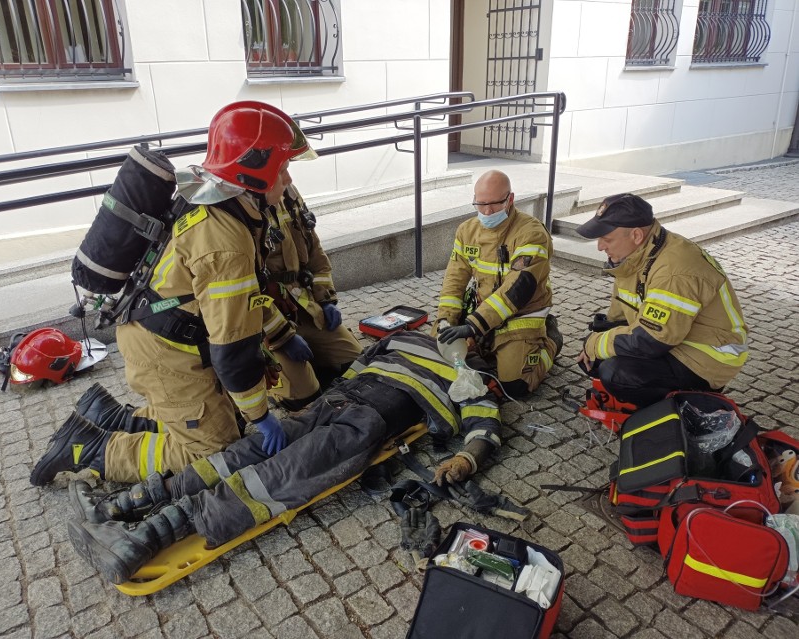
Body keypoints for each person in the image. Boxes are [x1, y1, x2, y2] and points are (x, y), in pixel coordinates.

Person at [65, 331, 504, 584]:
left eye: (467, 333)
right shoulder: (407, 337)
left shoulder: (469, 375)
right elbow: (357, 363)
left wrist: (465, 460)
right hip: (336, 403)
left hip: (366, 422)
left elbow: (484, 425)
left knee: (278, 474)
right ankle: (119, 507)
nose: (457, 332)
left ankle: (145, 537)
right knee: (243, 453)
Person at [30, 101, 317, 487]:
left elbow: (242, 298)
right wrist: (262, 417)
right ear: (255, 170)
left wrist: (282, 334)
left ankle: (114, 417)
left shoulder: (216, 195)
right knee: (212, 451)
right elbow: (233, 349)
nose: (287, 181)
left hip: (166, 333)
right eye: (282, 169)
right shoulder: (226, 240)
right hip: (165, 352)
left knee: (226, 416)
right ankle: (90, 449)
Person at [575, 192, 748, 407]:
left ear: (636, 235)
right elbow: (622, 313)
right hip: (673, 339)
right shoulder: (637, 254)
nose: (600, 246)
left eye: (606, 239)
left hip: (706, 357)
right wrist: (596, 340)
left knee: (616, 373)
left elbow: (650, 340)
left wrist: (596, 344)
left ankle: (682, 406)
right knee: (596, 360)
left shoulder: (674, 271)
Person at [434, 169, 562, 399]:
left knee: (516, 387)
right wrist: (445, 320)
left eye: (493, 204)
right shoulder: (467, 231)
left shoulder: (531, 233)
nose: (486, 211)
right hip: (484, 313)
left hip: (522, 316)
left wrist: (473, 325)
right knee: (444, 360)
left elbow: (518, 288)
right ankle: (487, 343)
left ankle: (551, 340)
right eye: (480, 204)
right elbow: (455, 277)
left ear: (510, 199)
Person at [260, 183, 362, 411]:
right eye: (281, 169)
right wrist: (282, 337)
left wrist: (325, 300)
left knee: (356, 363)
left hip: (302, 305)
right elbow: (244, 296)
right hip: (266, 323)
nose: (287, 177)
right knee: (304, 397)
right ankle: (272, 384)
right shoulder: (240, 210)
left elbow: (315, 249)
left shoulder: (287, 192)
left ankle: (313, 361)